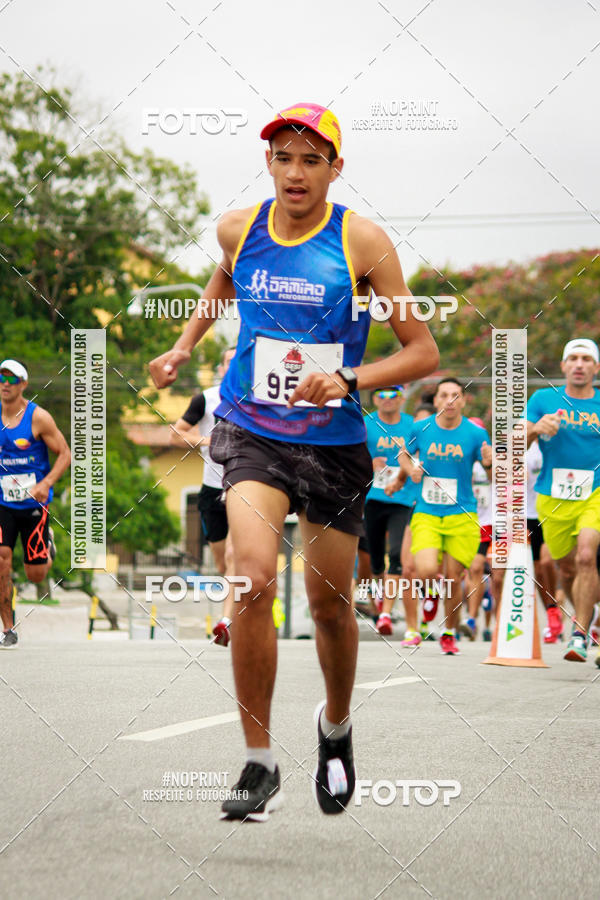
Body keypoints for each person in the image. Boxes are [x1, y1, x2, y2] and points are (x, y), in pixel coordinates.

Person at [149, 102, 439, 821]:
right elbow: (225, 278)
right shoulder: (238, 227)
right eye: (284, 158)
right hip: (253, 430)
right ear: (269, 163)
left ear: (336, 169)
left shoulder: (361, 241)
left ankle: (335, 727)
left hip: (333, 442)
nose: (296, 172)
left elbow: (422, 351)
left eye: (312, 159)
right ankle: (258, 760)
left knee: (329, 607)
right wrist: (185, 345)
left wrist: (348, 378)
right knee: (250, 578)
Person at [398, 378, 492, 655]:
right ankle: (430, 592)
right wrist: (411, 469)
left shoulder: (476, 434)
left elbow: (491, 474)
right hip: (427, 511)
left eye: (455, 395)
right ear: (436, 400)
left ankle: (449, 632)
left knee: (453, 578)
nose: (450, 400)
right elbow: (403, 455)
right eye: (444, 395)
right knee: (426, 570)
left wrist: (489, 462)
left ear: (463, 401)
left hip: (462, 514)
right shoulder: (421, 428)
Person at [526, 338, 600, 663]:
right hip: (552, 497)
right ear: (564, 366)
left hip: (594, 492)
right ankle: (588, 615)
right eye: (573, 358)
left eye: (586, 359)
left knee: (586, 556)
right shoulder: (543, 399)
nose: (579, 364)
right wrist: (535, 429)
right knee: (567, 570)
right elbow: (514, 442)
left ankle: (580, 633)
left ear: (596, 368)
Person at [0, 359, 71, 647]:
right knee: (2, 560)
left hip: (34, 505)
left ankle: (47, 544)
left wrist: (46, 483)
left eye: (12, 379)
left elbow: (65, 454)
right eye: (2, 378)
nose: (5, 384)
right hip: (3, 503)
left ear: (23, 384)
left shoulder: (38, 418)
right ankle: (8, 629)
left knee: (36, 573)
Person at [170, 347, 236, 646]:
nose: (233, 366)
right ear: (220, 369)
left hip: (244, 487)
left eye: (238, 360)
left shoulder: (258, 400)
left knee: (235, 556)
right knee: (222, 562)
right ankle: (236, 609)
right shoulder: (205, 399)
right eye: (228, 361)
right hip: (211, 488)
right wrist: (206, 440)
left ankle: (226, 621)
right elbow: (176, 434)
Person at [363, 386, 415, 642]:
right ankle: (378, 599)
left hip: (402, 500)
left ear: (402, 398)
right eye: (381, 395)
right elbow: (351, 455)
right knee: (375, 562)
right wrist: (369, 463)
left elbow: (421, 455)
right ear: (374, 398)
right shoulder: (366, 424)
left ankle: (385, 613)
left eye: (393, 394)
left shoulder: (412, 425)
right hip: (372, 499)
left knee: (396, 553)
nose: (387, 399)